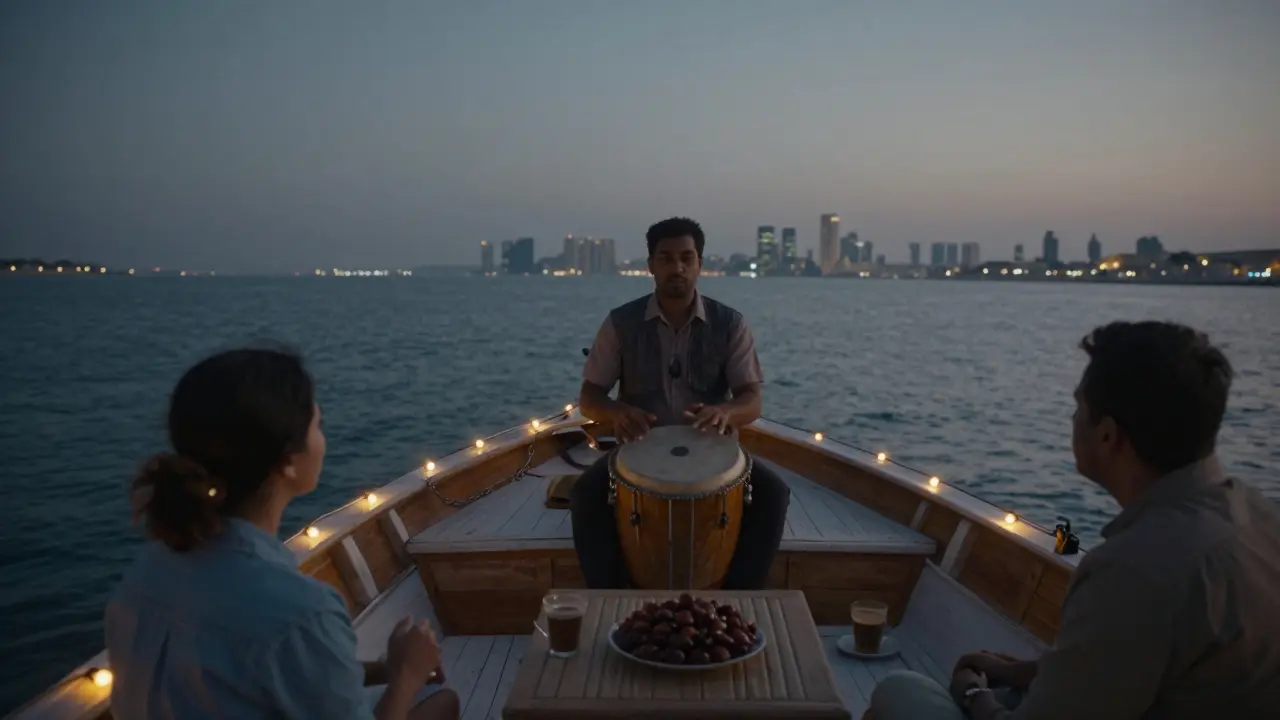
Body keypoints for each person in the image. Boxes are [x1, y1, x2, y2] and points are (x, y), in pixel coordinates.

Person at [866, 321, 1280, 719]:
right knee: (1008, 691)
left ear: (1107, 435)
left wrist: (972, 692)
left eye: (1079, 407)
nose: (1072, 420)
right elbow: (1142, 665)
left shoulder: (1137, 570)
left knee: (898, 690)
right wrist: (1024, 672)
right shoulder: (1258, 515)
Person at [105, 348, 459, 720]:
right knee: (441, 700)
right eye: (317, 425)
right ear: (288, 461)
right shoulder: (301, 611)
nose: (322, 438)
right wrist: (406, 673)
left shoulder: (146, 572)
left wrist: (387, 669)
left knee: (436, 698)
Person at [570, 216, 790, 589]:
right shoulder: (620, 323)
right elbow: (589, 398)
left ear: (700, 264)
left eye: (687, 257)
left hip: (715, 459)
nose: (678, 267)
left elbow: (753, 400)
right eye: (667, 258)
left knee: (773, 495)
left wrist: (726, 411)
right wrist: (617, 412)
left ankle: (739, 600)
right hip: (637, 454)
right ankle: (612, 600)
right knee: (586, 496)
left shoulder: (730, 324)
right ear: (651, 265)